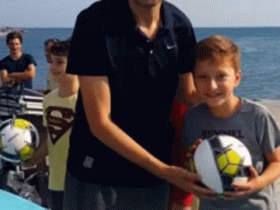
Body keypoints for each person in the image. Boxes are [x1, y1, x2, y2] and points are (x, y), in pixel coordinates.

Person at [63, 0, 212, 209]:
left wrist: (231, 105)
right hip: (98, 176)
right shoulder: (94, 21)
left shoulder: (179, 25)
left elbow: (186, 94)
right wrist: (163, 170)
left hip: (153, 178)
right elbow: (99, 123)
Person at [182, 35, 280, 210]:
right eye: (203, 77)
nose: (212, 86)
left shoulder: (257, 116)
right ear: (194, 79)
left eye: (221, 76)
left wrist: (257, 183)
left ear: (237, 78)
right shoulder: (193, 119)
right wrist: (192, 161)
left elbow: (276, 162)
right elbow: (191, 166)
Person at [23, 39, 77, 210]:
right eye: (51, 62)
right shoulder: (48, 100)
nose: (53, 67)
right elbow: (52, 138)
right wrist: (30, 160)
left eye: (60, 62)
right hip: (56, 179)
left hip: (83, 182)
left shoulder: (87, 100)